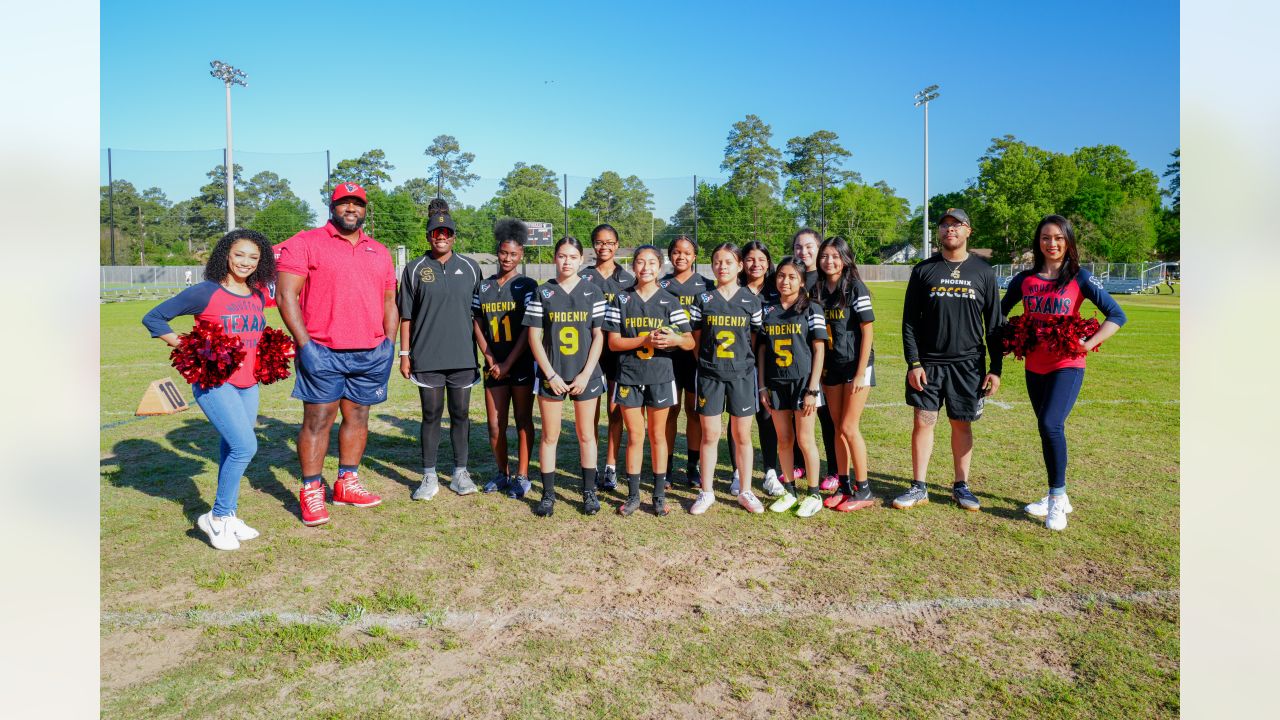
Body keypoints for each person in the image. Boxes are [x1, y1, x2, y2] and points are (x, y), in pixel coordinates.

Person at [142, 229, 275, 549]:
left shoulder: (257, 295)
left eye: (253, 257)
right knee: (245, 447)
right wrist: (187, 346)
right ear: (225, 255)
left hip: (248, 383)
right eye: (239, 254)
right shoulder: (205, 292)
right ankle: (216, 517)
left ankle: (229, 516)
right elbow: (154, 317)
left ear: (261, 262)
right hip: (216, 383)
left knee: (232, 448)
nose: (245, 262)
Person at [276, 183, 397, 527]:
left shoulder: (380, 251)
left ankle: (346, 481)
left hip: (370, 351)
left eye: (357, 203)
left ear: (364, 209)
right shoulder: (306, 243)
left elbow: (390, 300)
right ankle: (312, 489)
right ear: (332, 206)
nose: (350, 208)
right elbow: (287, 297)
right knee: (318, 419)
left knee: (358, 416)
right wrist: (305, 344)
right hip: (322, 350)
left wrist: (388, 343)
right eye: (344, 202)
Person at [1000, 215, 1127, 530]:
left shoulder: (1080, 277)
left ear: (1068, 241)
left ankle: (1057, 499)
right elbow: (998, 314)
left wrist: (1089, 343)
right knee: (1046, 429)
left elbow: (1116, 314)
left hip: (1067, 364)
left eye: (1058, 237)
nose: (1051, 243)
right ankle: (1057, 495)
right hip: (1035, 365)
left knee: (1050, 423)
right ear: (1038, 241)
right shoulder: (1024, 280)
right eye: (1045, 237)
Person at [896, 208, 1003, 512]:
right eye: (944, 225)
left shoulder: (983, 272)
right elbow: (909, 322)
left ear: (969, 231)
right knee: (923, 422)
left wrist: (995, 369)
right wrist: (914, 363)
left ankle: (961, 486)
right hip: (928, 364)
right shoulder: (924, 270)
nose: (949, 230)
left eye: (956, 225)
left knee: (961, 424)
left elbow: (994, 324)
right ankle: (919, 486)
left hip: (968, 365)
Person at [398, 201, 484, 501]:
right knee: (431, 414)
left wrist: (486, 353)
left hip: (462, 357)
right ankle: (429, 476)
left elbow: (478, 317)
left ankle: (460, 473)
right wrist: (405, 354)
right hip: (427, 358)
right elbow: (406, 316)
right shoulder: (414, 270)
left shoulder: (471, 268)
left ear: (454, 236)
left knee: (461, 414)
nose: (441, 236)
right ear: (428, 236)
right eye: (436, 232)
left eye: (446, 231)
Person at [604, 245, 695, 516]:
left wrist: (675, 339)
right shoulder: (621, 300)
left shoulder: (670, 300)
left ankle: (657, 495)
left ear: (660, 267)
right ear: (633, 266)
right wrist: (644, 339)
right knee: (635, 435)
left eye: (652, 263)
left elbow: (689, 341)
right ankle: (633, 496)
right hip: (629, 376)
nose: (646, 267)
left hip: (660, 376)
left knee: (658, 436)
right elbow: (613, 343)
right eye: (640, 262)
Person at [523, 236, 608, 517]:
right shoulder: (543, 292)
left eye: (572, 256)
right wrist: (550, 373)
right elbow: (534, 336)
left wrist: (585, 374)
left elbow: (598, 336)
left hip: (586, 375)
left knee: (586, 435)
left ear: (582, 259)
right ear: (554, 258)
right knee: (550, 435)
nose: (567, 261)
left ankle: (589, 492)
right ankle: (548, 495)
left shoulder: (593, 292)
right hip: (553, 374)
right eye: (562, 256)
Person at [687, 243, 764, 514]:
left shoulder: (751, 300)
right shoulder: (703, 300)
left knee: (742, 434)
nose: (722, 266)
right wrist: (708, 363)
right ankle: (706, 492)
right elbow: (695, 339)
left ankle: (745, 490)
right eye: (717, 261)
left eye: (728, 262)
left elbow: (753, 339)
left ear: (740, 266)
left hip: (742, 375)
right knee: (710, 434)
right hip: (710, 374)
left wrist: (741, 363)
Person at [755, 257, 828, 518]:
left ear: (801, 281)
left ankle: (814, 493)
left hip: (802, 382)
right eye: (781, 276)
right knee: (784, 439)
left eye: (792, 277)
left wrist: (812, 389)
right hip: (775, 383)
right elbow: (762, 350)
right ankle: (789, 490)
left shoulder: (812, 309)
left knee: (805, 439)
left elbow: (819, 350)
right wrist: (762, 386)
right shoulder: (767, 310)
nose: (785, 281)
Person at [472, 218, 538, 498]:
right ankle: (502, 473)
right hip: (493, 364)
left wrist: (508, 362)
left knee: (523, 419)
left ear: (521, 254)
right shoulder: (484, 287)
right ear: (497, 252)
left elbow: (528, 328)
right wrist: (489, 358)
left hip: (519, 362)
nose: (508, 258)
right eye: (503, 253)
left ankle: (523, 476)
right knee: (495, 424)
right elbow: (477, 322)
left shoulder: (528, 285)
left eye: (513, 254)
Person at [815, 236, 877, 512]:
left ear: (845, 258)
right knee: (838, 428)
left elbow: (867, 330)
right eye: (825, 256)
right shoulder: (817, 289)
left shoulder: (855, 287)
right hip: (832, 366)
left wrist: (861, 371)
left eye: (835, 256)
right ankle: (843, 485)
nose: (830, 261)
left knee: (850, 427)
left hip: (856, 366)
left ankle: (864, 490)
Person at [578, 224, 636, 492]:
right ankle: (592, 466)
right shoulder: (583, 278)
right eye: (599, 242)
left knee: (615, 411)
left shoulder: (627, 279)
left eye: (610, 242)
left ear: (617, 245)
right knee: (591, 414)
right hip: (589, 352)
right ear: (593, 245)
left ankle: (611, 466)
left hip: (616, 354)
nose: (604, 247)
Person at [729, 240, 785, 499]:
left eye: (761, 259)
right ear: (742, 263)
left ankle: (770, 472)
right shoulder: (732, 288)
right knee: (737, 420)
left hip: (770, 362)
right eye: (750, 259)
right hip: (737, 363)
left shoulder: (777, 289)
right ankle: (738, 472)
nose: (756, 264)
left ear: (768, 262)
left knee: (767, 416)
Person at [786, 228, 840, 492]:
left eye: (809, 247)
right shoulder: (789, 277)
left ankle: (834, 469)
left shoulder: (828, 278)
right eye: (798, 247)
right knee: (799, 413)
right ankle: (799, 463)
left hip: (827, 358)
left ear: (819, 249)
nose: (803, 252)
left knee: (827, 417)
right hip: (798, 359)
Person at [659, 235, 713, 489]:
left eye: (687, 252)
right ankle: (666, 466)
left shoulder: (707, 286)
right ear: (670, 255)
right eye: (676, 252)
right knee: (670, 411)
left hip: (695, 358)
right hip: (667, 359)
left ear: (695, 256)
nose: (681, 256)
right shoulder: (661, 285)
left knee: (694, 412)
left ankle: (692, 467)